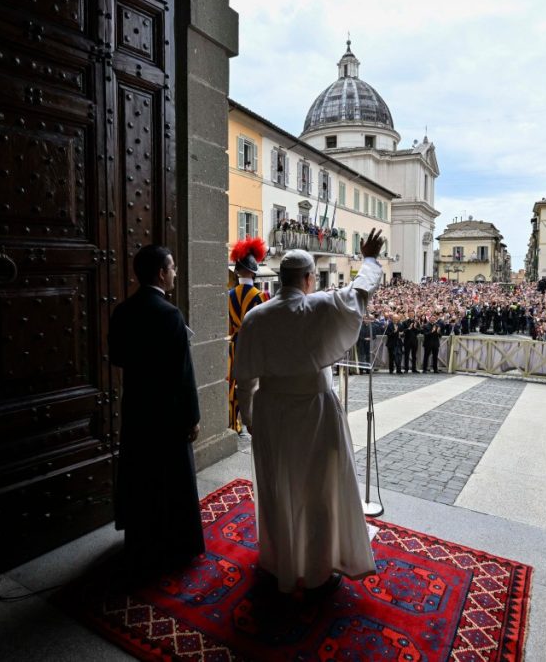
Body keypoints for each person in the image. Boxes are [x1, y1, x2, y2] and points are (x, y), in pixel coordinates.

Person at [234, 229, 386, 596]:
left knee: (277, 485)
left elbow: (244, 378)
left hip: (272, 412)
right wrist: (367, 258)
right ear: (307, 279)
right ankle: (317, 569)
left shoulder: (256, 317)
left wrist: (252, 419)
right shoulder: (319, 306)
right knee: (318, 488)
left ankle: (278, 560)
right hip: (315, 413)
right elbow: (360, 292)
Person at [108, 244, 203, 576]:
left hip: (138, 407)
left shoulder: (122, 311)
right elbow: (183, 373)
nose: (175, 271)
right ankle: (175, 543)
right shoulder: (169, 314)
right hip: (167, 412)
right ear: (161, 273)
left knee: (142, 475)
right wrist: (192, 417)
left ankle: (142, 539)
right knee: (171, 478)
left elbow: (118, 357)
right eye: (173, 266)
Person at [227, 237, 269, 433]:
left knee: (232, 385)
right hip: (251, 346)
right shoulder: (261, 296)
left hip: (232, 345)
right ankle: (249, 422)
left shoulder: (228, 295)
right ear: (253, 272)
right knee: (252, 387)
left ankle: (232, 422)